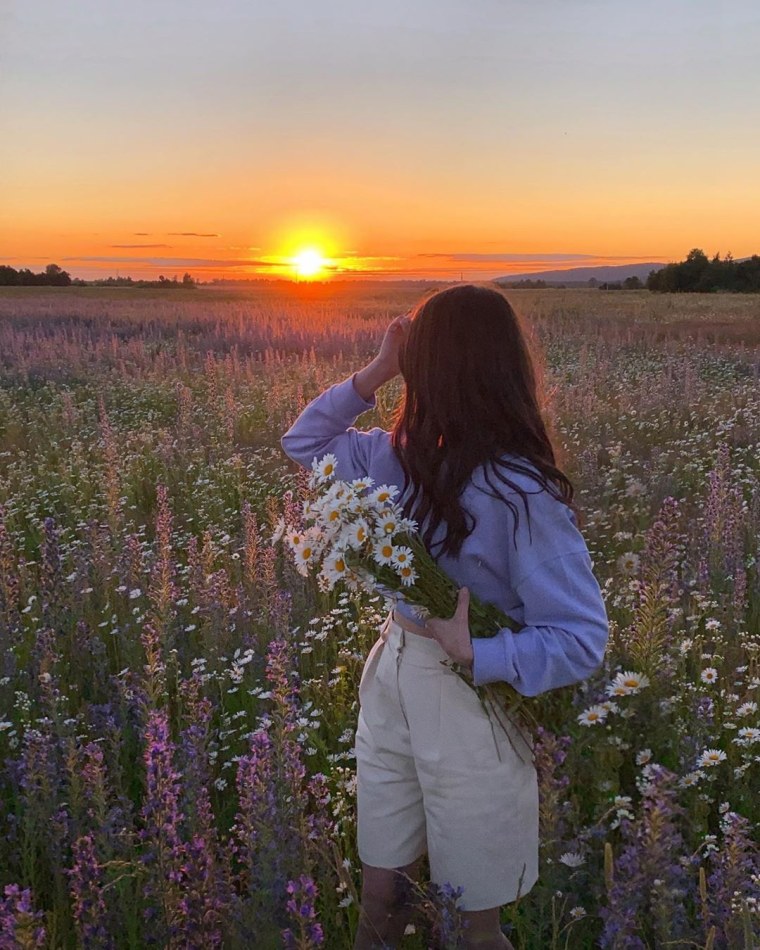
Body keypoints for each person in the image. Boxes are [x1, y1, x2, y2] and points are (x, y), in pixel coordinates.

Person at [280, 284, 609, 950]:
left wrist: (479, 653)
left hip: (471, 702)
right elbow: (303, 442)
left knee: (470, 926)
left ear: (433, 366)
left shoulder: (521, 491)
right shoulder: (392, 456)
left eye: (415, 353)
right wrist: (375, 371)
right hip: (392, 677)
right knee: (383, 898)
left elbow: (582, 638)